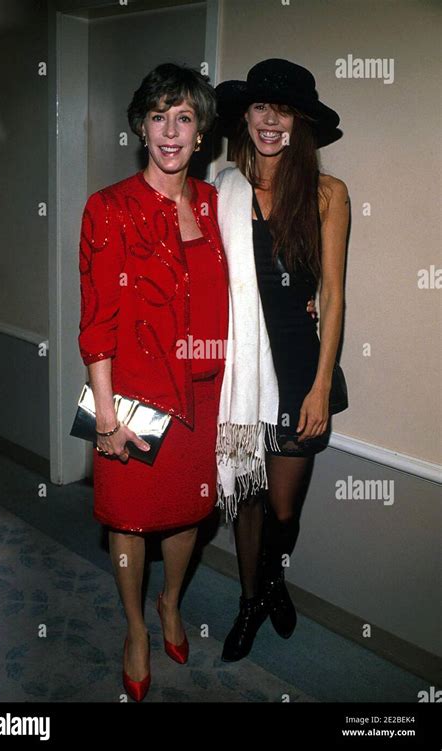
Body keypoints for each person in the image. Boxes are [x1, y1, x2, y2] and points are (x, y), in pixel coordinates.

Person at [77, 63, 229, 701]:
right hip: (134, 397)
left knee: (188, 511)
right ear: (141, 127)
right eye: (159, 116)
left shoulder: (219, 204)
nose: (171, 130)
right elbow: (97, 320)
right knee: (129, 520)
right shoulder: (109, 208)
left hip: (208, 391)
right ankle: (137, 628)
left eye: (185, 117)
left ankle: (171, 603)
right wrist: (106, 416)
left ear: (200, 134)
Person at [213, 59, 349, 661]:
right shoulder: (223, 189)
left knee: (282, 507)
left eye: (284, 109)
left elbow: (335, 297)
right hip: (241, 374)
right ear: (245, 116)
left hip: (298, 370)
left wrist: (320, 387)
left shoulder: (327, 193)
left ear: (300, 122)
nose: (271, 120)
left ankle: (274, 580)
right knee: (245, 498)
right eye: (261, 107)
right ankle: (250, 602)